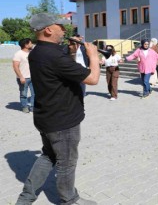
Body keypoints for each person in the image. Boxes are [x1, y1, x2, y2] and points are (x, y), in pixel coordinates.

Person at [16, 13, 100, 205]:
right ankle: (69, 199)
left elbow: (59, 70)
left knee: (48, 155)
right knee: (67, 163)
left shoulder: (38, 52)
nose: (64, 31)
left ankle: (27, 197)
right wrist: (93, 56)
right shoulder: (53, 56)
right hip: (63, 121)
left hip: (47, 116)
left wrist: (71, 52)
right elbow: (92, 79)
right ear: (48, 30)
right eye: (61, 27)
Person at [12, 38, 35, 113]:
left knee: (34, 93)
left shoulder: (32, 53)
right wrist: (21, 77)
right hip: (23, 78)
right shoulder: (18, 54)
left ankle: (33, 107)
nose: (32, 45)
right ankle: (24, 107)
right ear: (26, 45)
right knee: (23, 94)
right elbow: (15, 66)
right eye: (30, 43)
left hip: (33, 77)